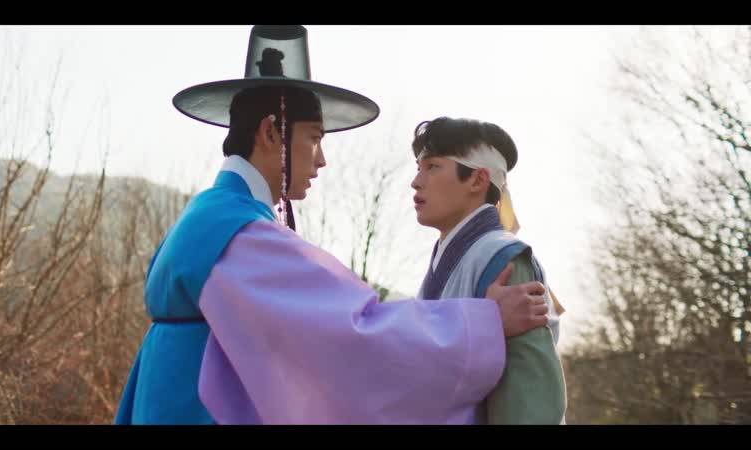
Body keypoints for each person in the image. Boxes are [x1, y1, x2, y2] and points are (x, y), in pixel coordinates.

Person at [114, 25, 549, 425]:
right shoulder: (236, 235)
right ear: (271, 133)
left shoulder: (210, 217)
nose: (321, 159)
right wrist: (484, 324)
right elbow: (355, 334)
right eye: (315, 138)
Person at [410, 117, 567, 424]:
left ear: (477, 180)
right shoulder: (454, 261)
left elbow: (529, 405)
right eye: (418, 168)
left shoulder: (503, 257)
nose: (416, 181)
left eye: (432, 167)